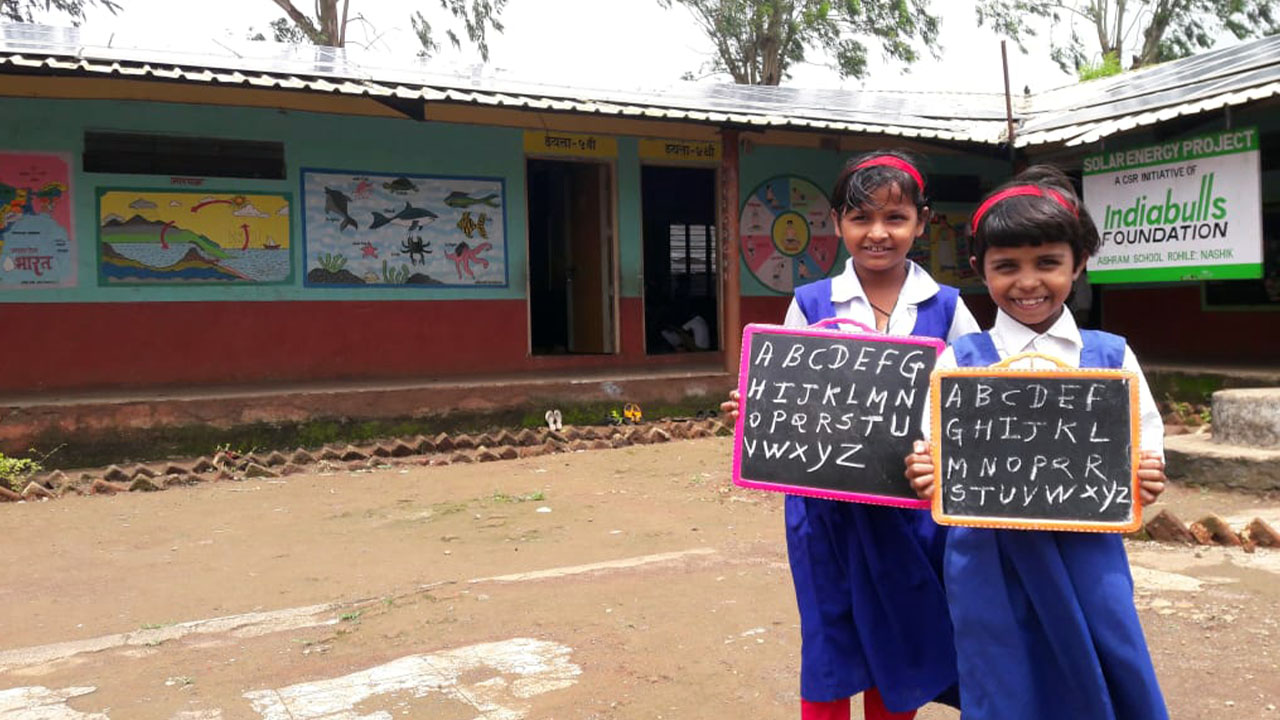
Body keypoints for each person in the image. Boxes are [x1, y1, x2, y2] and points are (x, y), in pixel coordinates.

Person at [904, 165, 1170, 720]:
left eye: (1048, 262)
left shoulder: (1110, 356)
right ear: (980, 269)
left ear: (1079, 264)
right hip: (985, 559)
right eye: (1007, 267)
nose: (1028, 283)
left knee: (1105, 659)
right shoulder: (961, 360)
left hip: (1087, 550)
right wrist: (927, 474)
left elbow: (1145, 447)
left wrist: (1148, 476)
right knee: (1001, 673)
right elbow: (932, 451)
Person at [724, 151, 981, 720]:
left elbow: (972, 400)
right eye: (861, 218)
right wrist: (756, 408)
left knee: (899, 634)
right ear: (838, 223)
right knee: (830, 637)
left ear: (922, 221)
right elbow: (784, 394)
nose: (878, 233)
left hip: (910, 508)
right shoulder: (810, 303)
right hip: (826, 512)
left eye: (895, 218)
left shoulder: (950, 308)